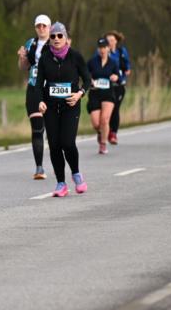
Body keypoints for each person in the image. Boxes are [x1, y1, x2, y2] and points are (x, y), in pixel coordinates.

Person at [36, 22, 91, 197]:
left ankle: (76, 174)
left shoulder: (75, 56)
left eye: (60, 36)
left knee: (67, 143)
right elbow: (38, 84)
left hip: (70, 106)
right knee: (54, 145)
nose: (56, 39)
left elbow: (87, 79)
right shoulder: (45, 58)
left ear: (66, 38)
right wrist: (40, 101)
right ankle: (61, 183)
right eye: (53, 36)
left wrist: (80, 94)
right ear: (49, 39)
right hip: (51, 106)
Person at [17, 14, 52, 179]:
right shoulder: (31, 43)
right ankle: (39, 168)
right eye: (39, 26)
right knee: (37, 128)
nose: (41, 29)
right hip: (33, 88)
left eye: (44, 26)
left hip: (52, 89)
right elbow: (23, 67)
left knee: (52, 129)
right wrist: (22, 57)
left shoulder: (56, 41)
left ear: (49, 27)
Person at [87, 37, 120, 154]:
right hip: (95, 93)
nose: (102, 50)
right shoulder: (92, 62)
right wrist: (89, 80)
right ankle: (101, 133)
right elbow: (85, 74)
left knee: (105, 120)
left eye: (104, 47)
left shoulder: (113, 63)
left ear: (108, 48)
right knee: (96, 123)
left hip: (108, 94)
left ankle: (103, 144)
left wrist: (115, 77)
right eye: (100, 48)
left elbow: (117, 76)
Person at [105, 30, 131, 144]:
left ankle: (113, 133)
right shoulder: (102, 52)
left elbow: (127, 66)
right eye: (108, 41)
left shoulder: (121, 51)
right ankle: (106, 130)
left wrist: (125, 72)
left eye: (112, 40)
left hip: (119, 85)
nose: (110, 42)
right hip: (106, 86)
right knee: (107, 110)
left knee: (115, 108)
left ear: (116, 41)